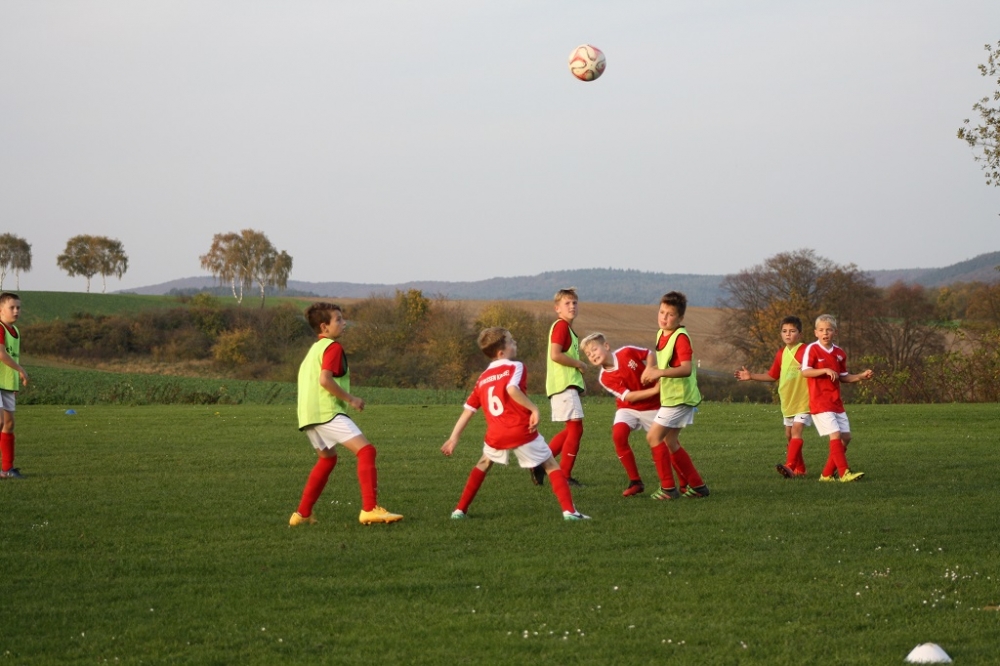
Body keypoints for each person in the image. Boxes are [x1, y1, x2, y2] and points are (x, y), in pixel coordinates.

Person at [441, 327, 589, 521]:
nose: (515, 343)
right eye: (511, 341)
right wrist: (534, 409)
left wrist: (453, 438)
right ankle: (570, 512)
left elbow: (468, 411)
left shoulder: (482, 378)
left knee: (483, 463)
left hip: (496, 434)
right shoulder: (515, 367)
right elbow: (512, 389)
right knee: (550, 464)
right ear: (501, 353)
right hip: (520, 430)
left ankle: (459, 511)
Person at [290, 302, 403, 526]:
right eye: (338, 319)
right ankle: (370, 509)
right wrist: (351, 399)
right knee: (367, 450)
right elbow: (325, 380)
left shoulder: (314, 350)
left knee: (327, 459)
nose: (344, 323)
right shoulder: (332, 347)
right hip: (327, 412)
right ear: (324, 327)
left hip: (308, 416)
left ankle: (301, 514)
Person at [580, 332, 691, 497]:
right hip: (628, 408)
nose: (592, 355)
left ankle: (684, 482)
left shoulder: (626, 352)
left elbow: (649, 354)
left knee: (669, 443)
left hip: (653, 406)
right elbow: (629, 397)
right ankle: (635, 482)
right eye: (588, 354)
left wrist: (649, 368)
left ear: (606, 346)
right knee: (618, 435)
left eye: (594, 349)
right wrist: (655, 390)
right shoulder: (604, 378)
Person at [639, 291, 710, 500]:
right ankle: (698, 486)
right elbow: (665, 363)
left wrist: (659, 373)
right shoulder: (662, 333)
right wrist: (652, 371)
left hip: (680, 398)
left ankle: (668, 489)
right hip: (673, 397)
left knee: (653, 437)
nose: (664, 317)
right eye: (662, 312)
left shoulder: (680, 338)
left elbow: (686, 368)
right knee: (670, 441)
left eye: (670, 314)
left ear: (680, 318)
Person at [734, 315, 812, 478]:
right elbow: (772, 375)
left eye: (792, 331)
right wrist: (751, 376)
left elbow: (817, 366)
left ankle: (789, 466)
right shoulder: (781, 353)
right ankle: (801, 469)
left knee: (796, 430)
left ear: (800, 334)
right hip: (788, 401)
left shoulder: (806, 351)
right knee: (789, 436)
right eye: (784, 331)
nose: (788, 334)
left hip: (804, 401)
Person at [800, 314, 874, 483]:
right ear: (816, 332)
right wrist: (824, 370)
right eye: (821, 330)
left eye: (829, 330)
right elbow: (805, 371)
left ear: (835, 332)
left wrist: (861, 376)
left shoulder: (839, 353)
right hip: (820, 401)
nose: (825, 333)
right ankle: (844, 473)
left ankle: (826, 474)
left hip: (836, 402)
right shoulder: (812, 349)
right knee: (835, 434)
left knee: (846, 437)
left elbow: (843, 377)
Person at [540, 287, 588, 486]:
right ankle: (565, 475)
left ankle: (541, 463)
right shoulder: (561, 326)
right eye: (567, 303)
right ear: (557, 308)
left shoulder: (567, 329)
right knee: (576, 429)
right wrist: (579, 364)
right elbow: (555, 354)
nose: (572, 306)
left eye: (574, 302)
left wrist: (579, 383)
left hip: (565, 385)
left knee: (572, 429)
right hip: (563, 385)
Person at [0, 292, 29, 480]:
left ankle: (7, 469)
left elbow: (12, 357)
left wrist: (15, 383)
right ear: (0, 310)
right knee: (0, 422)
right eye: (12, 307)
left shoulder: (15, 331)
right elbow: (1, 354)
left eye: (18, 307)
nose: (16, 311)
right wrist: (21, 370)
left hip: (7, 384)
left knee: (9, 424)